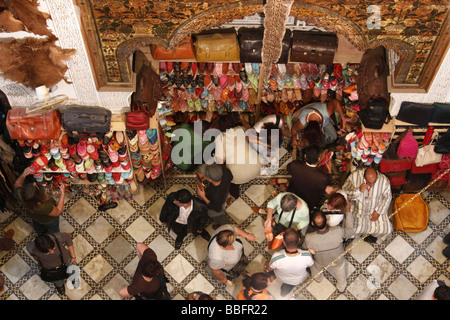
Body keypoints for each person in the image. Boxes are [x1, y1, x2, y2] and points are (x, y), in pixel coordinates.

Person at [303, 209, 354, 292]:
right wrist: (348, 212)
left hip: (321, 262)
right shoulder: (338, 231)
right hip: (338, 261)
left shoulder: (309, 238)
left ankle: (318, 279)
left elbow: (305, 247)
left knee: (315, 267)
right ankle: (341, 288)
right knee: (341, 274)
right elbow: (350, 231)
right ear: (327, 222)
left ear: (312, 224)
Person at [342, 167, 393, 244]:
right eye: (369, 183)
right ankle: (357, 235)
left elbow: (388, 197)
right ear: (364, 178)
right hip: (358, 210)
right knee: (350, 230)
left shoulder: (384, 180)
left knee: (387, 230)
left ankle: (372, 235)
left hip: (375, 209)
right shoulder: (354, 177)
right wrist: (358, 191)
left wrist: (378, 211)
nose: (372, 185)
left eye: (374, 182)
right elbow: (344, 192)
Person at [214, 114, 263, 192]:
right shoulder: (240, 129)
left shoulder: (220, 137)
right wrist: (242, 119)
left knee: (219, 165)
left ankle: (233, 190)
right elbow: (251, 129)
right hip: (257, 168)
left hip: (238, 176)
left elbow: (220, 161)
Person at [14, 167, 65, 234]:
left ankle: (41, 233)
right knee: (53, 229)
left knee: (38, 225)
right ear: (38, 195)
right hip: (47, 220)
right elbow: (57, 211)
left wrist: (24, 174)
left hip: (34, 216)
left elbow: (17, 184)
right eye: (34, 185)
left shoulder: (20, 194)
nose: (34, 183)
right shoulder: (43, 206)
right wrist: (62, 194)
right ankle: (54, 237)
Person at [264, 228, 314, 297]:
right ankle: (283, 294)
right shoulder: (307, 255)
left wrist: (266, 265)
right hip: (296, 280)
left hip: (281, 277)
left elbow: (270, 267)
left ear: (283, 242)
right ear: (299, 240)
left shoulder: (277, 257)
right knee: (286, 289)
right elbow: (311, 265)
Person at [285, 145, 334, 210]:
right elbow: (328, 185)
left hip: (291, 196)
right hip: (308, 202)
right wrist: (330, 171)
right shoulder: (323, 177)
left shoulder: (294, 165)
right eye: (323, 155)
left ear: (305, 156)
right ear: (319, 158)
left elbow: (289, 167)